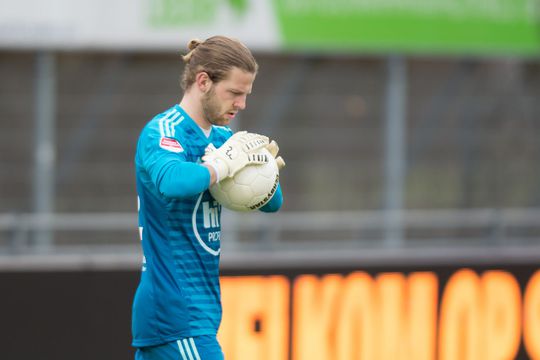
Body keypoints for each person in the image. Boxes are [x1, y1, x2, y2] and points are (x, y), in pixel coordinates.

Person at [131, 35, 284, 360]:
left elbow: (274, 203)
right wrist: (222, 165)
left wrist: (264, 172)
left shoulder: (223, 138)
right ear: (203, 81)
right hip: (176, 311)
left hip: (197, 312)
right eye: (234, 93)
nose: (241, 104)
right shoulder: (164, 131)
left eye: (246, 95)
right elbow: (172, 181)